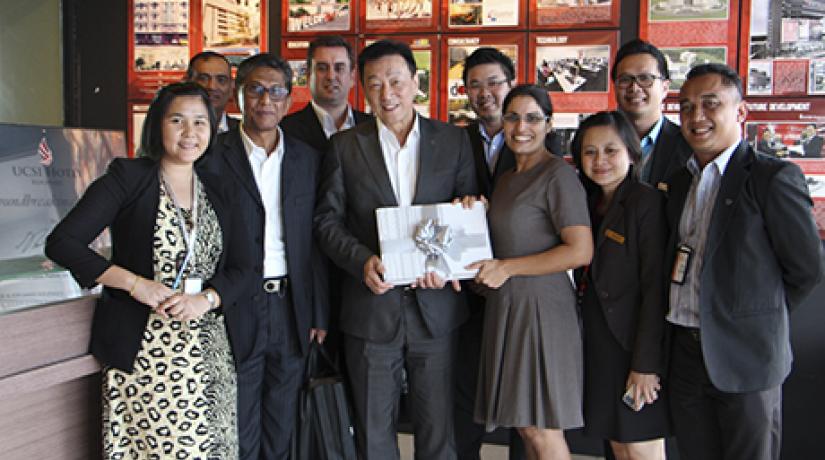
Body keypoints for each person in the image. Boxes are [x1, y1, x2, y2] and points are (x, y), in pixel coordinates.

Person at [45, 82, 252, 459]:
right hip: (146, 356)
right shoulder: (129, 177)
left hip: (210, 354)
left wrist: (207, 299)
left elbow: (246, 268)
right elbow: (63, 243)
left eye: (200, 122)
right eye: (178, 121)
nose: (190, 133)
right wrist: (134, 283)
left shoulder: (222, 187)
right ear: (158, 124)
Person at [314, 39, 478, 460]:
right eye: (374, 84)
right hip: (371, 309)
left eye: (396, 81)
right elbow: (326, 222)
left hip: (436, 307)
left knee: (438, 431)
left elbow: (469, 208)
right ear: (362, 89)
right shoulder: (345, 147)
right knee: (373, 431)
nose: (387, 94)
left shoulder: (452, 142)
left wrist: (453, 257)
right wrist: (360, 261)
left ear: (415, 82)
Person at [665, 63, 823, 460]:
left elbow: (806, 268)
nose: (696, 117)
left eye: (710, 104)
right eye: (686, 107)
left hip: (746, 357)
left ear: (741, 112)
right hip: (685, 354)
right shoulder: (680, 180)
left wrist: (756, 316)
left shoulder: (771, 177)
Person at [199, 53, 329, 460]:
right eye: (255, 89)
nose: (265, 100)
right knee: (239, 418)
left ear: (289, 101)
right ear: (239, 98)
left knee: (282, 418)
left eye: (275, 92)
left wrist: (318, 313)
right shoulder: (212, 157)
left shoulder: (308, 159)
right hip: (236, 303)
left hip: (290, 306)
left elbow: (316, 243)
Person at [469, 84, 593, 460]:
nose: (521, 127)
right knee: (526, 426)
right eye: (513, 117)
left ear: (549, 125)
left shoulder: (558, 175)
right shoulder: (507, 178)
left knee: (541, 429)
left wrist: (508, 268)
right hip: (510, 308)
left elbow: (581, 250)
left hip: (543, 313)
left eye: (533, 118)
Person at [571, 111, 670, 460]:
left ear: (631, 151)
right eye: (590, 152)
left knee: (640, 448)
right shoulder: (587, 203)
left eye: (610, 150)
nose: (600, 161)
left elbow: (655, 289)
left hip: (632, 347)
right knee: (616, 444)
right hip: (598, 346)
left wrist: (645, 365)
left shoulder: (646, 202)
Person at [455, 46, 530, 460]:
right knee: (465, 396)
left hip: (519, 288)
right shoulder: (454, 139)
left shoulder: (536, 140)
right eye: (475, 85)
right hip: (466, 290)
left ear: (511, 84)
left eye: (494, 83)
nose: (485, 93)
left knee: (522, 400)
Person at [612, 39, 691, 188]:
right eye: (625, 79)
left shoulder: (687, 146)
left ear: (665, 87)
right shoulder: (602, 141)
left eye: (645, 78)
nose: (634, 88)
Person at [280, 35, 371, 152]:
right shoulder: (284, 131)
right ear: (308, 76)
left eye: (339, 68)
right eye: (322, 68)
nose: (331, 76)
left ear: (352, 77)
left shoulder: (372, 127)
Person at [186, 51, 239, 133]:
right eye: (203, 79)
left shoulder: (246, 134)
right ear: (187, 82)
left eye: (221, 80)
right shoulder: (168, 131)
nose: (212, 87)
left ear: (231, 87)